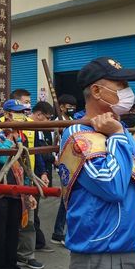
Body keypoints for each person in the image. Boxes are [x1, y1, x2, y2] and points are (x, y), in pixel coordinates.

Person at [58, 57, 135, 269]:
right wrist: (119, 136)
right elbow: (111, 185)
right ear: (96, 91)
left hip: (134, 250)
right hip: (102, 257)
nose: (127, 92)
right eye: (120, 84)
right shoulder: (78, 135)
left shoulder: (117, 131)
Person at [0, 99, 36, 269]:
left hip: (16, 189)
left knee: (13, 232)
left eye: (23, 112)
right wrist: (10, 139)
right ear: (6, 114)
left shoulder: (20, 134)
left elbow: (24, 165)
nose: (21, 115)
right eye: (17, 112)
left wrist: (28, 190)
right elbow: (0, 156)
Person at [49, 94, 78, 245]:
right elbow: (55, 144)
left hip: (75, 162)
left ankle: (60, 231)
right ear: (61, 107)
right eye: (69, 106)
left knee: (69, 198)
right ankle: (59, 232)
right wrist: (56, 161)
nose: (72, 109)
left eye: (74, 106)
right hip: (63, 164)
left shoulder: (74, 122)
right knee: (66, 198)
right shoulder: (55, 123)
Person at [30, 101, 55, 253]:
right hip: (27, 175)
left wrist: (43, 172)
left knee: (35, 210)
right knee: (31, 211)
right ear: (39, 115)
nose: (49, 121)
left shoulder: (39, 130)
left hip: (37, 173)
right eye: (47, 117)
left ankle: (37, 242)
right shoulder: (27, 127)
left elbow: (38, 152)